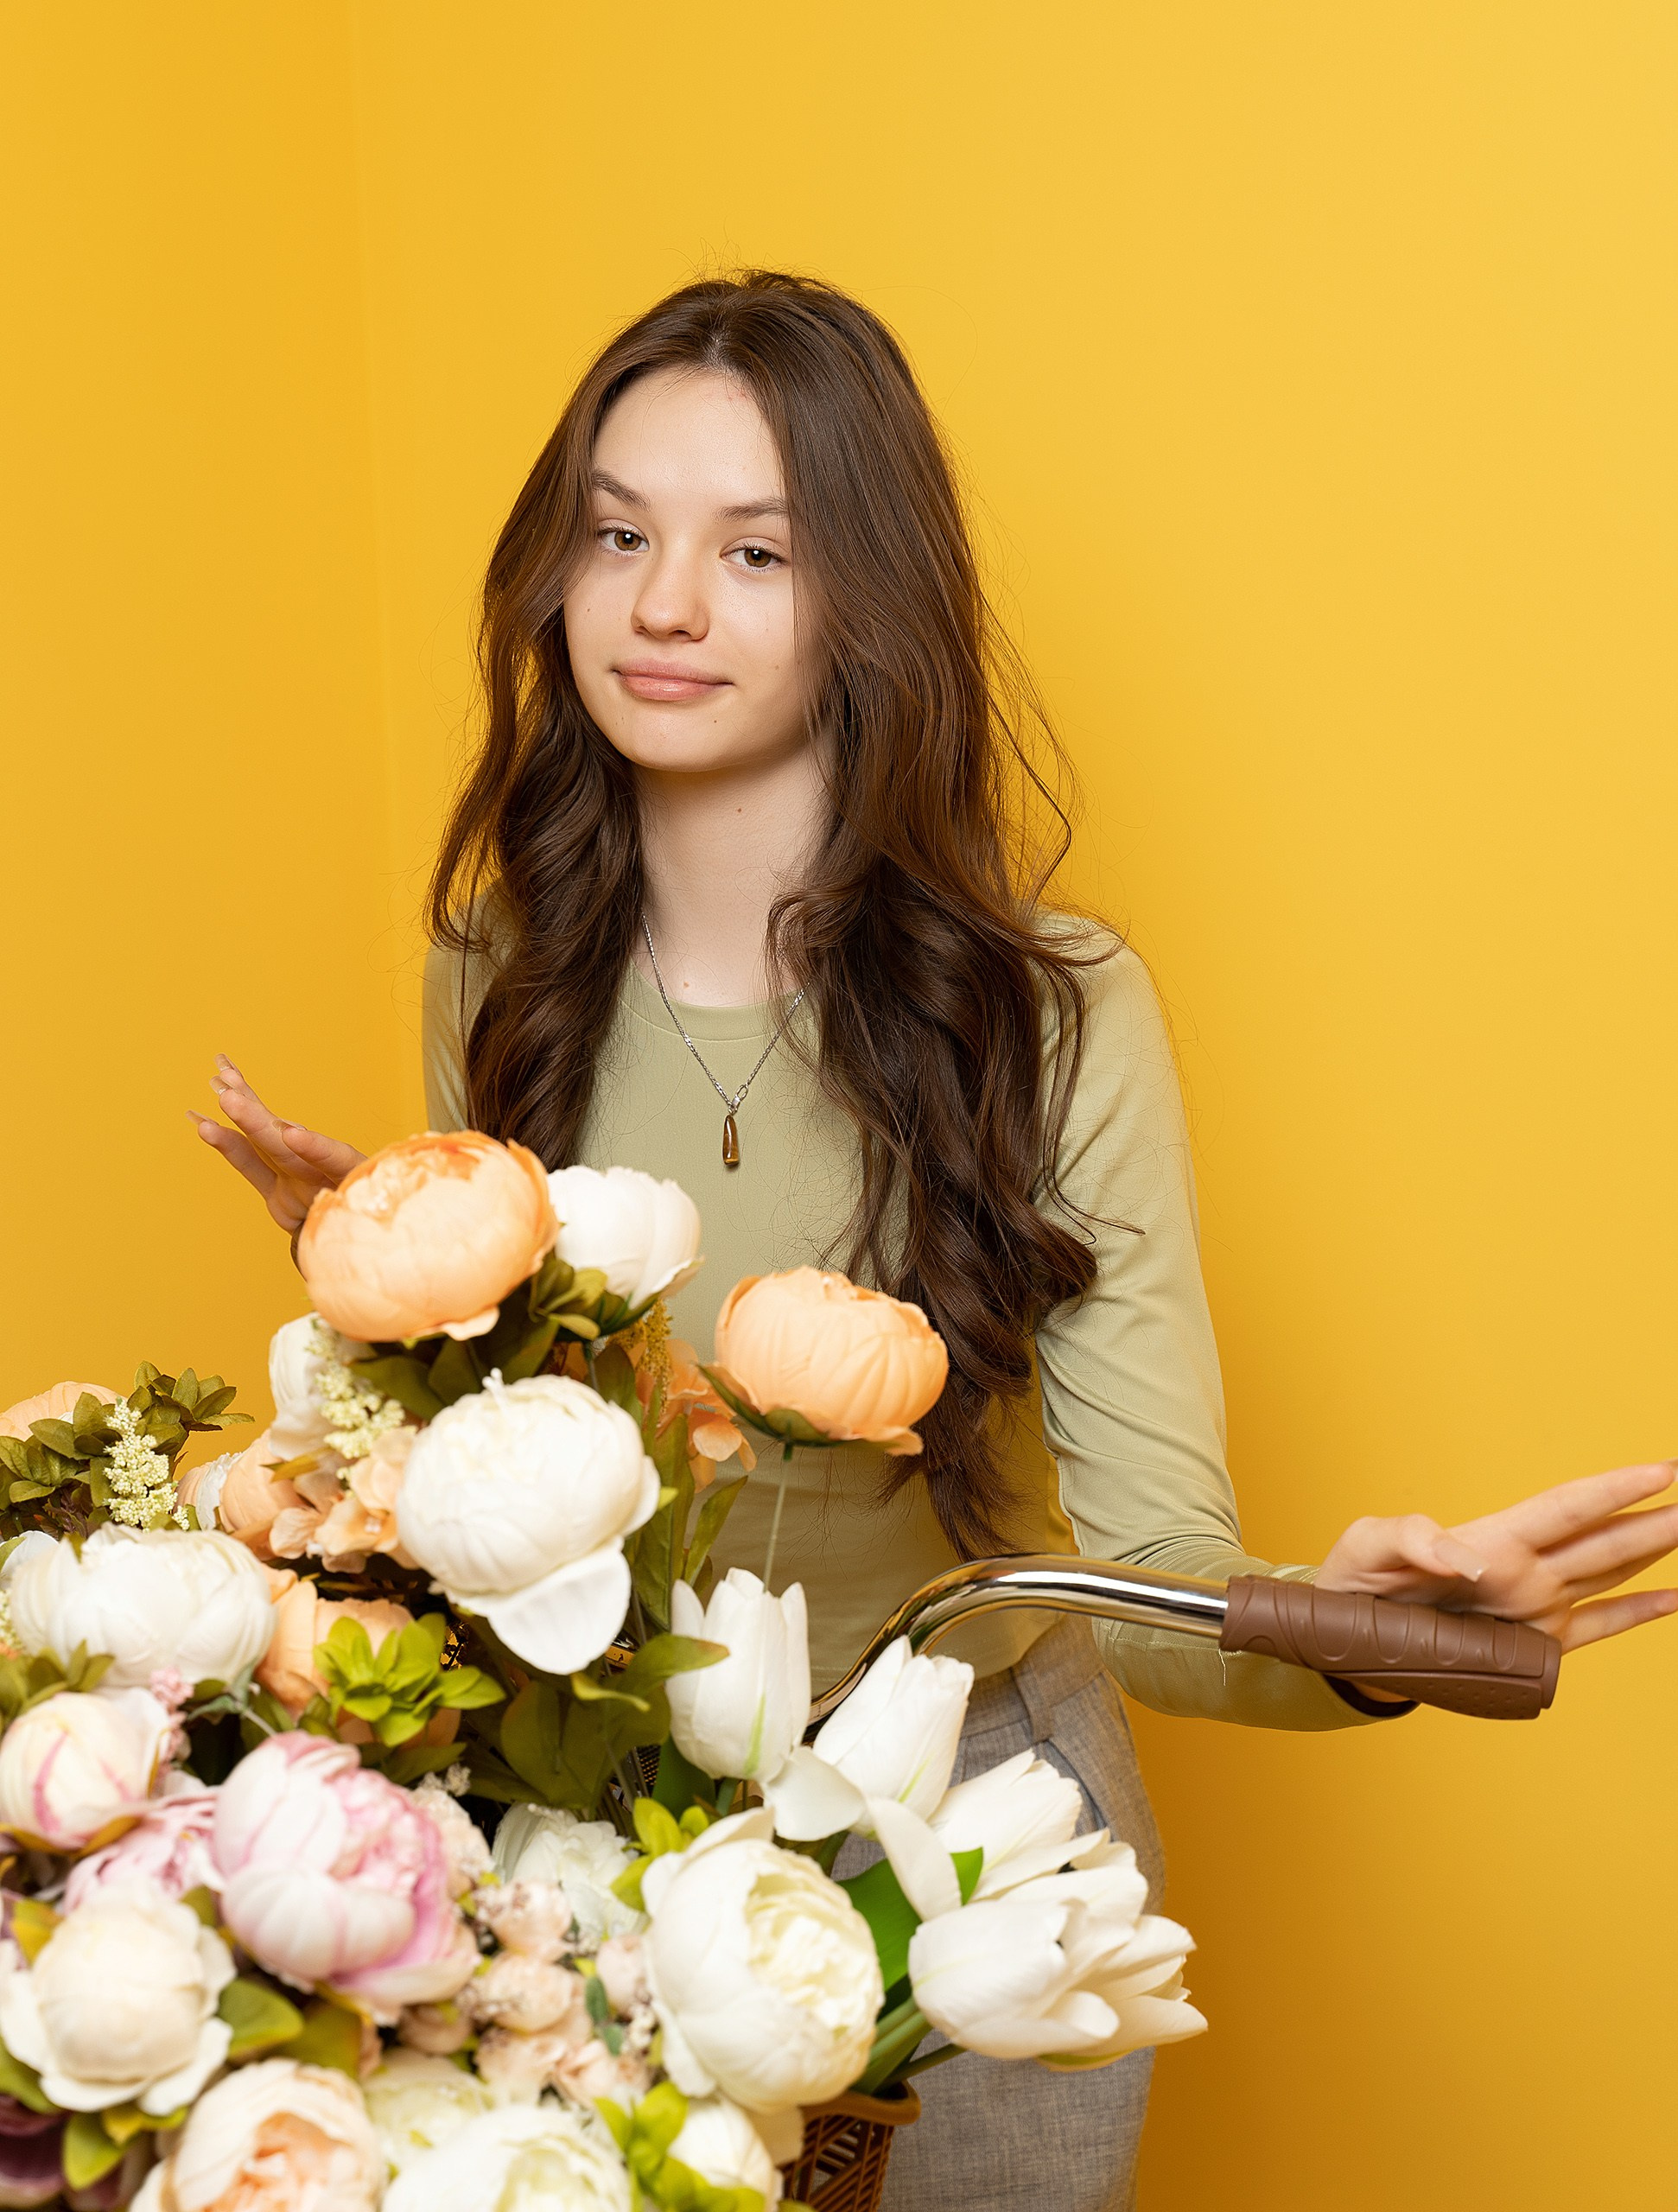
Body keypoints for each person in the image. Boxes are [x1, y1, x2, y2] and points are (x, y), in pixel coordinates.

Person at [191, 271, 1677, 2212]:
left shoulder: (1046, 1012)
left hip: (972, 1843)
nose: (660, 604)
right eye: (618, 533)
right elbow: (528, 1509)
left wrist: (1363, 1624)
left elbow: (1147, 1577)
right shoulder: (497, 976)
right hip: (589, 1843)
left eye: (753, 550)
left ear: (867, 598)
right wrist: (397, 1325)